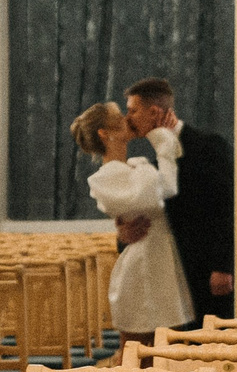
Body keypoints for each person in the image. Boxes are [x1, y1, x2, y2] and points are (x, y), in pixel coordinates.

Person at [117, 76, 236, 325]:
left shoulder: (209, 146)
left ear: (153, 112)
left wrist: (223, 267)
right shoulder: (153, 163)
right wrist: (124, 233)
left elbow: (225, 208)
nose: (127, 118)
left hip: (206, 271)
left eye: (133, 111)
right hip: (170, 274)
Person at [74, 101, 190, 346]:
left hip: (161, 261)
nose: (127, 119)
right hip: (142, 267)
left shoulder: (136, 167)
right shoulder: (106, 177)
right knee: (138, 352)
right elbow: (165, 190)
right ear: (105, 134)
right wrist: (162, 138)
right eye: (119, 117)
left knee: (170, 348)